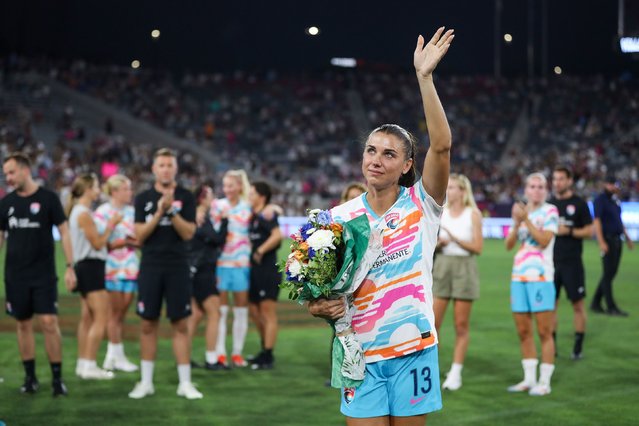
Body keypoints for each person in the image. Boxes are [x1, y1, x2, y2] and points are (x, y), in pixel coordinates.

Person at [308, 27, 454, 424]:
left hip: (414, 350)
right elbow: (317, 293)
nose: (376, 159)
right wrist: (319, 306)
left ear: (407, 165)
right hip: (360, 353)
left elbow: (441, 147)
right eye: (371, 150)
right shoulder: (336, 219)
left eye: (389, 154)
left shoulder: (423, 205)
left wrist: (424, 79)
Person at [128, 148, 202, 400]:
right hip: (150, 265)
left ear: (176, 169)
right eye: (161, 165)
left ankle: (185, 383)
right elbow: (139, 236)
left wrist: (172, 211)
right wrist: (159, 211)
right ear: (154, 169)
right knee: (148, 323)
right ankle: (146, 382)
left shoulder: (186, 197)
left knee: (180, 324)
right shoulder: (143, 198)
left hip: (178, 266)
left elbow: (189, 233)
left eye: (170, 165)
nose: (166, 169)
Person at [0, 152, 76, 396]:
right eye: (6, 174)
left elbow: (64, 232)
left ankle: (57, 379)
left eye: (11, 172)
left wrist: (70, 266)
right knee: (22, 324)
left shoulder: (48, 199)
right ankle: (30, 378)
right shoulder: (6, 203)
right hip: (15, 275)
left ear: (25, 170)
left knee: (48, 322)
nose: (8, 178)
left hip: (43, 274)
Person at [505, 172, 558, 396]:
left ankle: (544, 382)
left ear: (546, 190)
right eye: (532, 186)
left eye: (541, 186)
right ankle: (528, 379)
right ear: (526, 190)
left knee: (545, 331)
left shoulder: (550, 211)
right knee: (523, 331)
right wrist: (517, 224)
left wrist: (525, 219)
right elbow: (509, 245)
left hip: (541, 277)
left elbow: (545, 240)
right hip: (519, 277)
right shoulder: (521, 212)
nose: (537, 190)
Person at [67, 173, 121, 380]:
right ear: (88, 189)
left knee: (87, 318)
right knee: (101, 316)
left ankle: (83, 363)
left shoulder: (79, 211)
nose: (99, 190)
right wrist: (111, 225)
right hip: (91, 266)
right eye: (97, 186)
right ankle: (89, 365)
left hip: (85, 266)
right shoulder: (83, 213)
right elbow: (97, 244)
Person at [433, 173, 483, 391]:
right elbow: (431, 243)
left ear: (463, 191)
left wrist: (455, 239)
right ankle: (432, 369)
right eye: (448, 187)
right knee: (433, 325)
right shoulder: (440, 212)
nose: (449, 190)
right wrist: (440, 244)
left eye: (453, 187)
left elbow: (478, 248)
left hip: (464, 267)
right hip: (442, 265)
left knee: (461, 326)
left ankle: (455, 372)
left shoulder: (473, 214)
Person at [95, 174, 140, 372]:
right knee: (114, 313)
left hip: (130, 265)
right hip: (111, 266)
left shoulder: (132, 212)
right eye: (126, 189)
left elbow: (140, 239)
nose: (130, 192)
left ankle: (112, 356)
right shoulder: (102, 212)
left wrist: (126, 242)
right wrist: (125, 241)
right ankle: (116, 356)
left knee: (121, 313)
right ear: (114, 192)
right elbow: (101, 243)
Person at [549, 166, 593, 359]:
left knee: (578, 306)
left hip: (573, 263)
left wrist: (570, 231)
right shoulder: (548, 205)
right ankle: (552, 346)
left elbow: (589, 231)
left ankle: (578, 347)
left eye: (560, 179)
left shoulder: (579, 204)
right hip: (550, 263)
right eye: (555, 179)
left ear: (569, 181)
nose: (557, 182)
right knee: (551, 306)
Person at [210, 169, 252, 368]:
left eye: (231, 185)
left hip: (242, 263)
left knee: (241, 310)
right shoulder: (217, 206)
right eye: (225, 185)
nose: (227, 189)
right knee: (221, 311)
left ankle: (237, 352)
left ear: (239, 186)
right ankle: (220, 353)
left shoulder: (248, 207)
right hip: (221, 263)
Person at [186, 184, 228, 370]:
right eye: (210, 195)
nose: (213, 199)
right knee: (214, 313)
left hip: (195, 269)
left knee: (195, 314)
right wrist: (226, 221)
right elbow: (217, 239)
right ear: (202, 197)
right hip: (203, 270)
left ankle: (184, 357)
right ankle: (211, 359)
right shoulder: (200, 216)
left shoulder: (196, 215)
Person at [247, 181, 283, 370]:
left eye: (251, 193)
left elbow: (277, 235)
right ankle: (264, 350)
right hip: (254, 270)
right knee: (254, 311)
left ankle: (268, 355)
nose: (248, 197)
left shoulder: (266, 214)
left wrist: (260, 250)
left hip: (267, 270)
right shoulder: (256, 215)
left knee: (267, 312)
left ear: (261, 197)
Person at [591, 175, 635, 316]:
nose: (613, 187)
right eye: (610, 184)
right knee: (609, 273)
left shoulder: (615, 201)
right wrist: (601, 241)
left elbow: (618, 220)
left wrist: (627, 237)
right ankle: (610, 306)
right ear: (605, 185)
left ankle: (596, 302)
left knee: (611, 272)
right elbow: (597, 221)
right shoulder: (600, 200)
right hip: (607, 240)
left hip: (617, 240)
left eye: (614, 184)